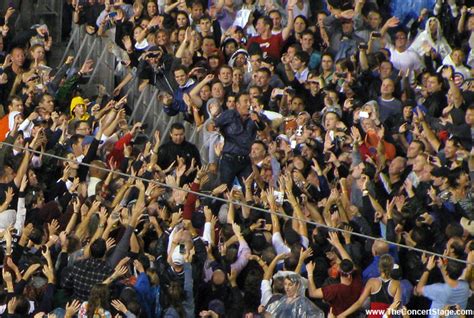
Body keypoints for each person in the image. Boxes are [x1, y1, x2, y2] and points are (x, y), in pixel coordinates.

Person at [214, 92, 266, 187]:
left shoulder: (254, 117)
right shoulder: (229, 115)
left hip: (245, 160)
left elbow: (264, 130)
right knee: (223, 188)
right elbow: (214, 124)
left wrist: (257, 120)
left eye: (249, 101)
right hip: (229, 159)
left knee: (248, 188)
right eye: (245, 101)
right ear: (237, 105)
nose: (249, 104)